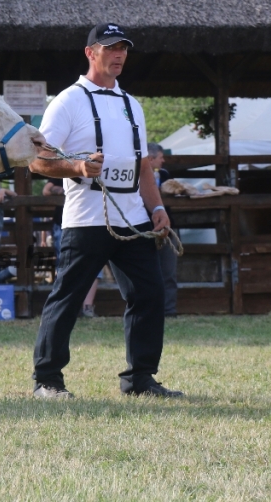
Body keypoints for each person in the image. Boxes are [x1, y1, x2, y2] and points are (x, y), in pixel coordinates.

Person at [29, 22, 183, 400]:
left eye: (123, 49)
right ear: (90, 53)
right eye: (111, 48)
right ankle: (47, 381)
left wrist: (158, 207)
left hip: (134, 220)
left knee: (149, 295)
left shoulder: (133, 105)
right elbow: (38, 161)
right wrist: (78, 168)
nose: (118, 55)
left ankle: (140, 379)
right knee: (67, 298)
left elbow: (143, 166)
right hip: (87, 219)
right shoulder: (67, 101)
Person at [44, 178, 100, 317]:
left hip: (95, 222)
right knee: (67, 266)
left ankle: (87, 307)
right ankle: (66, 307)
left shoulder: (101, 171)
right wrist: (61, 190)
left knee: (95, 265)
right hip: (66, 224)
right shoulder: (64, 170)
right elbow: (46, 190)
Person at [148, 142, 178, 317]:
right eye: (160, 157)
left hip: (165, 227)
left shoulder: (165, 174)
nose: (163, 160)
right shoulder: (135, 175)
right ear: (150, 159)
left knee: (168, 270)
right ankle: (149, 309)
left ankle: (169, 310)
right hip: (144, 227)